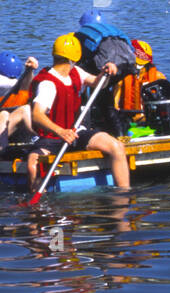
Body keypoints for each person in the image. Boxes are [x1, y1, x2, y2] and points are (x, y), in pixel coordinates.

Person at [26, 33, 129, 191]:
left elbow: (97, 83)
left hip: (76, 132)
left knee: (116, 147)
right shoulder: (48, 84)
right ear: (73, 58)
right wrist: (61, 131)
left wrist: (105, 74)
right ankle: (39, 205)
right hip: (51, 138)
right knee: (33, 164)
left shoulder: (76, 73)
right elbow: (37, 115)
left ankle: (124, 193)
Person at [72, 9, 139, 137]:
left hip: (106, 66)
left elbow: (78, 58)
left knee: (88, 85)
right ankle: (118, 132)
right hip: (128, 66)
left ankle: (86, 128)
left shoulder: (81, 34)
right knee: (104, 97)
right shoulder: (111, 31)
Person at [114, 39, 168, 127]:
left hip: (151, 116)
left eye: (143, 64)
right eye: (137, 63)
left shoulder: (158, 76)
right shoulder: (121, 77)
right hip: (129, 116)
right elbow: (115, 103)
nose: (139, 66)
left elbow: (166, 99)